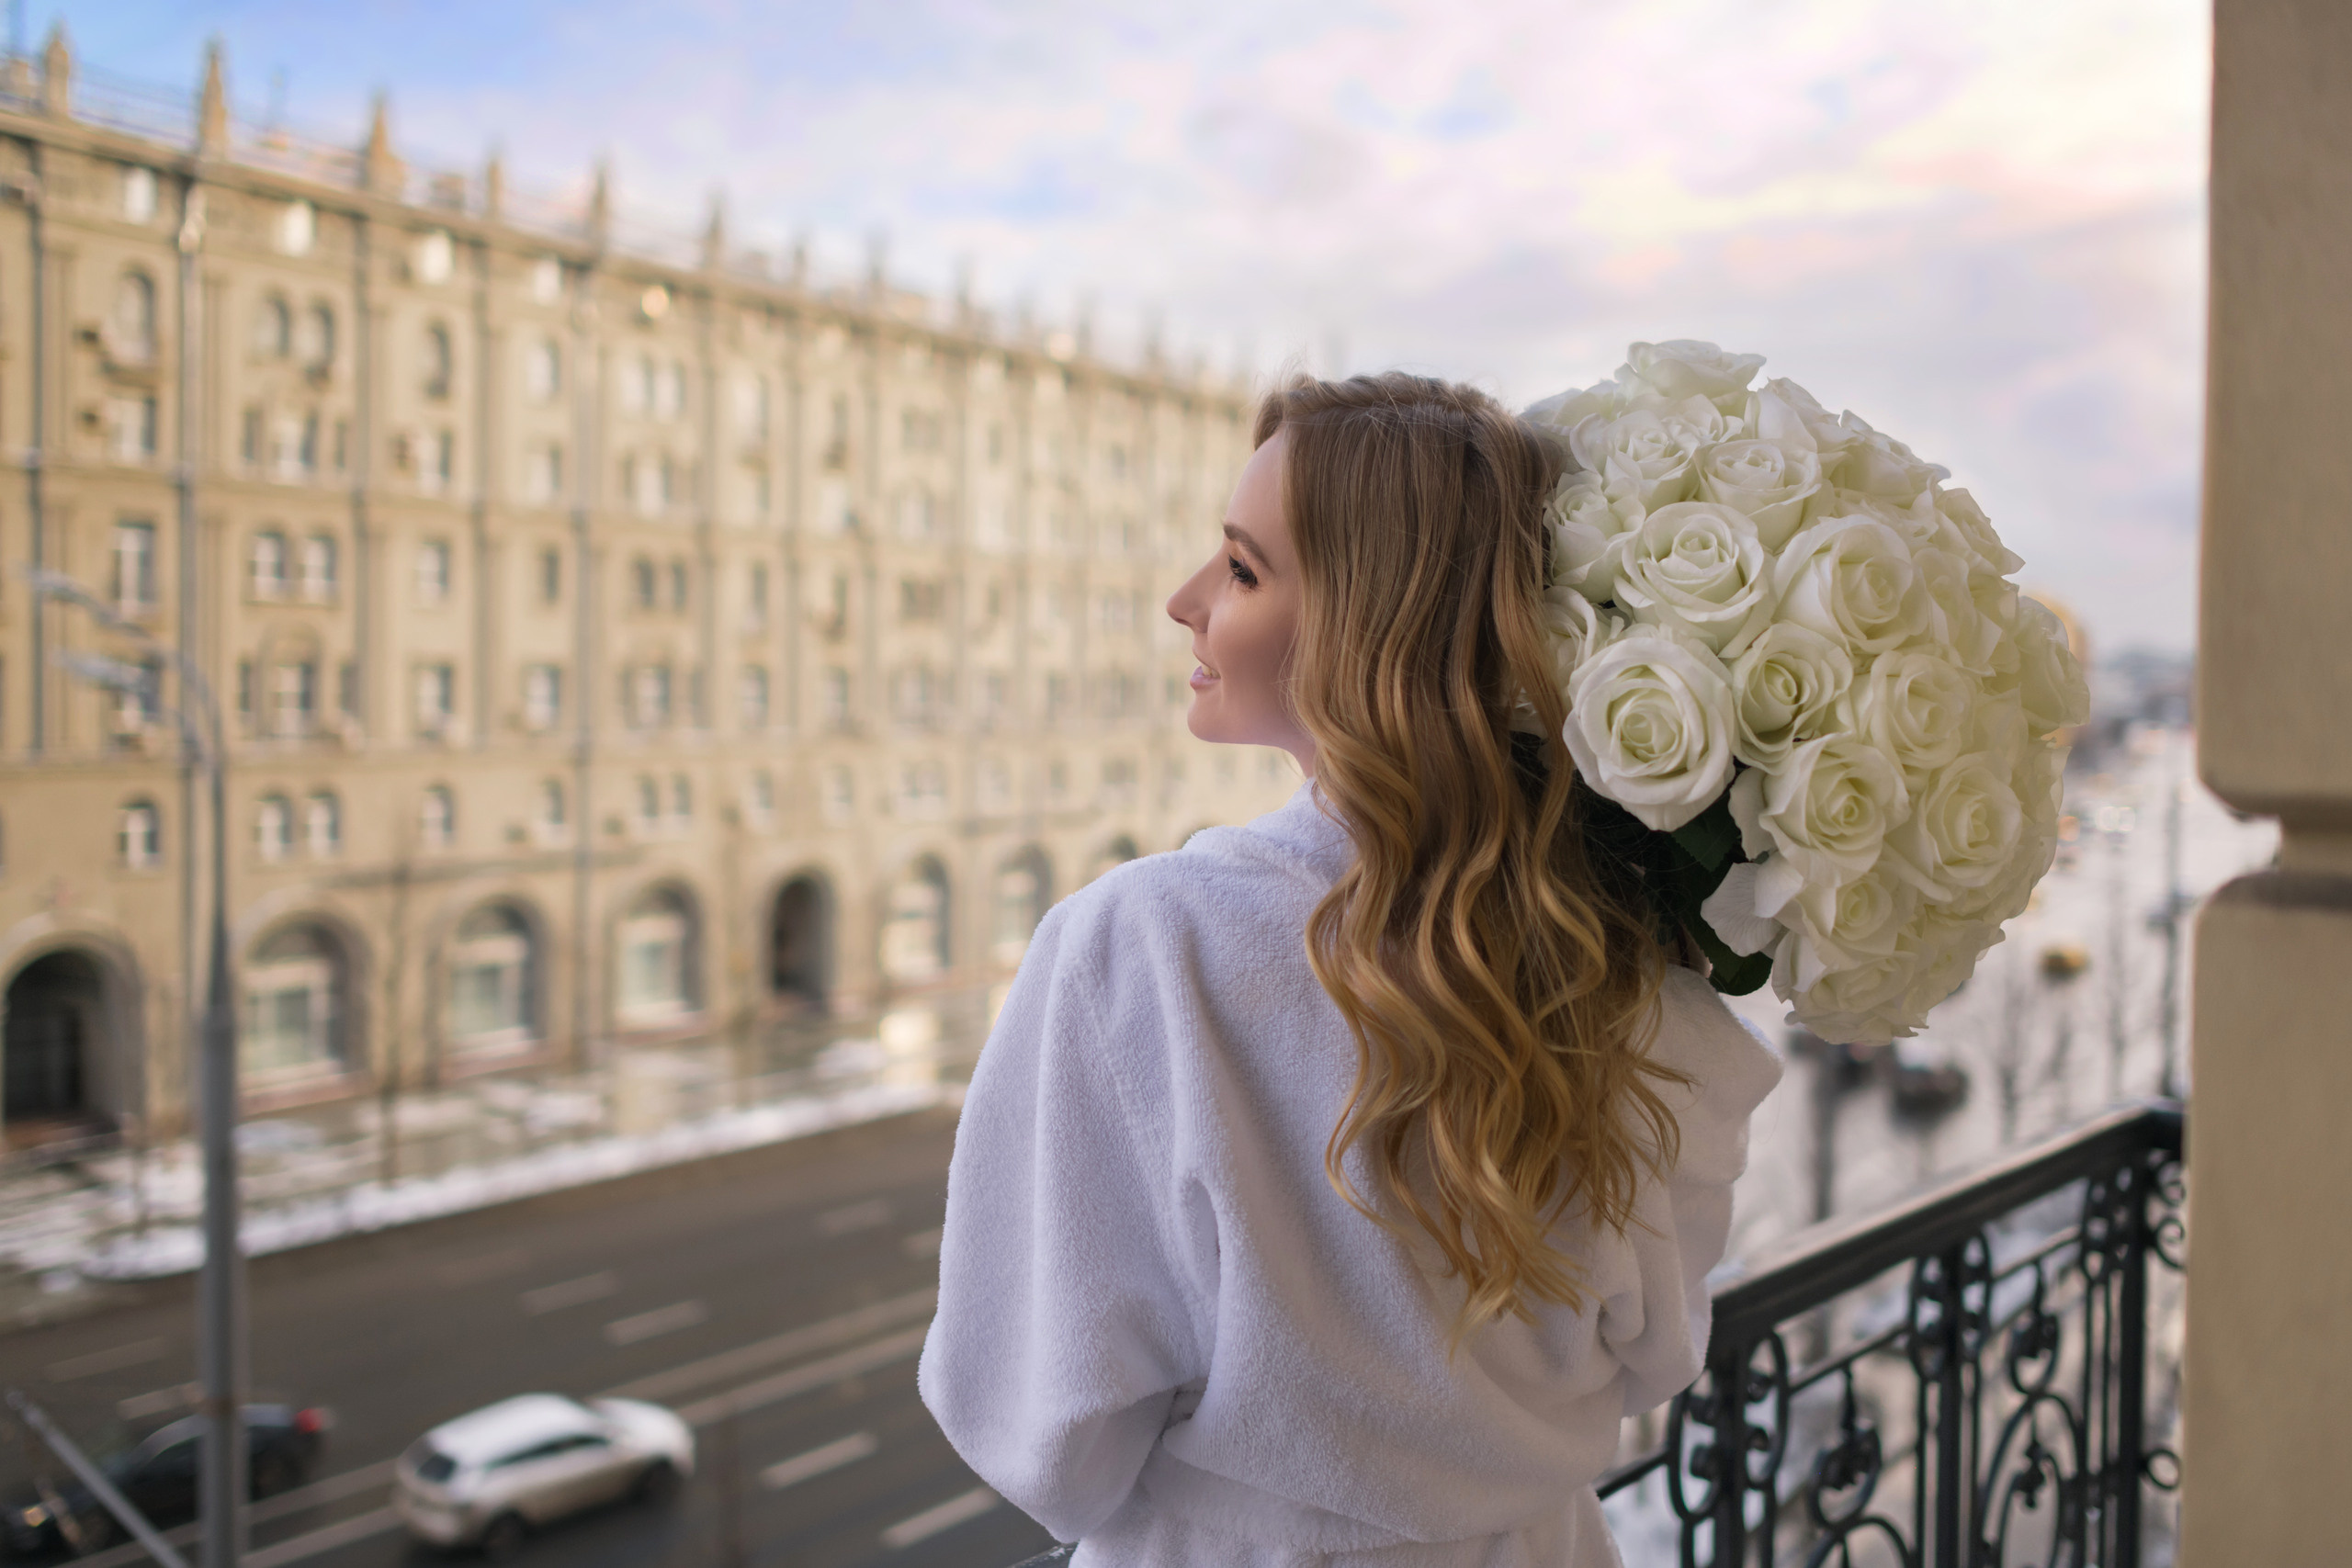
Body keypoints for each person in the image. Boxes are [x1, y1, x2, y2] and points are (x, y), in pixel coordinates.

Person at [918, 373, 1782, 1567]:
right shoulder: (1628, 958)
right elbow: (1655, 1354)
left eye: (1241, 570)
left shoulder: (1147, 947)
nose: (1184, 601)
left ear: (1371, 624)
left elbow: (1047, 1433)